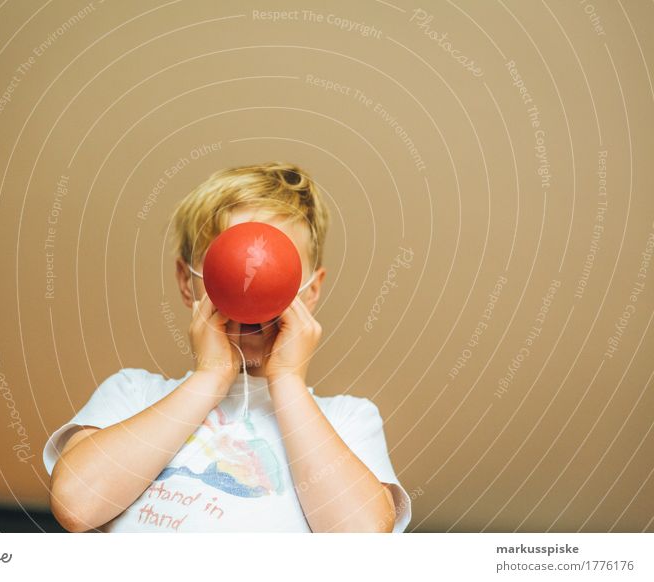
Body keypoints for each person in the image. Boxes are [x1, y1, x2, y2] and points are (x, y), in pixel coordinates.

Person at [43, 162, 411, 532]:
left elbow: (362, 541)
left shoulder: (347, 420)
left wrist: (287, 380)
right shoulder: (134, 394)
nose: (251, 288)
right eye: (230, 266)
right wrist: (210, 377)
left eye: (275, 269)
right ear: (188, 283)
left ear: (310, 291)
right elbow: (78, 503)